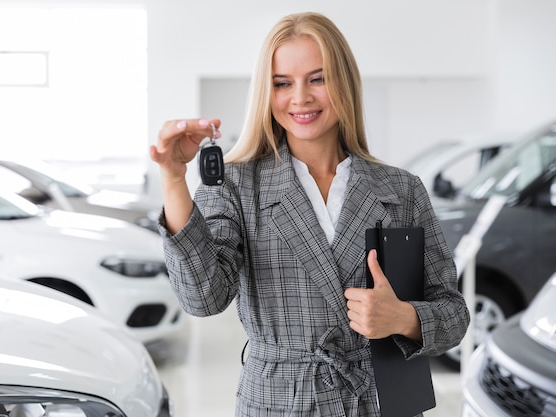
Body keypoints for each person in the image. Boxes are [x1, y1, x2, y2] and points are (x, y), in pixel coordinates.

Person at [150, 11, 469, 417]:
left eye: (317, 79)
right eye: (282, 83)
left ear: (345, 83)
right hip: (279, 402)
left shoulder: (401, 189)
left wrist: (404, 318)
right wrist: (174, 180)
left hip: (378, 402)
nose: (299, 98)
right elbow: (203, 298)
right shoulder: (235, 183)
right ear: (266, 92)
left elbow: (454, 315)